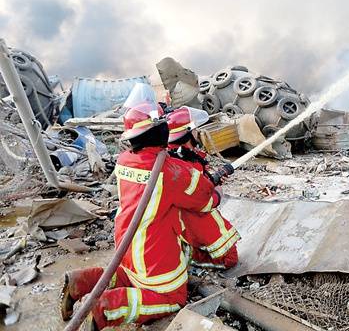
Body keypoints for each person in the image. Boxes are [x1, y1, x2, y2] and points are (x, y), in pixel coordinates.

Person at [60, 101, 225, 330]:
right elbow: (203, 201)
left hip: (127, 246)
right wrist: (216, 193)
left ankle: (81, 281)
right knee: (172, 298)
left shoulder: (125, 160)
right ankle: (106, 308)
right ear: (160, 130)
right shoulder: (171, 171)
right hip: (153, 254)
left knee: (129, 277)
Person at [166, 106, 240, 269]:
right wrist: (217, 195)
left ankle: (188, 249)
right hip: (192, 217)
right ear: (187, 134)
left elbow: (198, 182)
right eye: (195, 130)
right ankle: (192, 257)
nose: (198, 132)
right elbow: (198, 202)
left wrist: (213, 179)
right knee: (230, 258)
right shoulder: (183, 164)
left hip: (185, 219)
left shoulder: (181, 155)